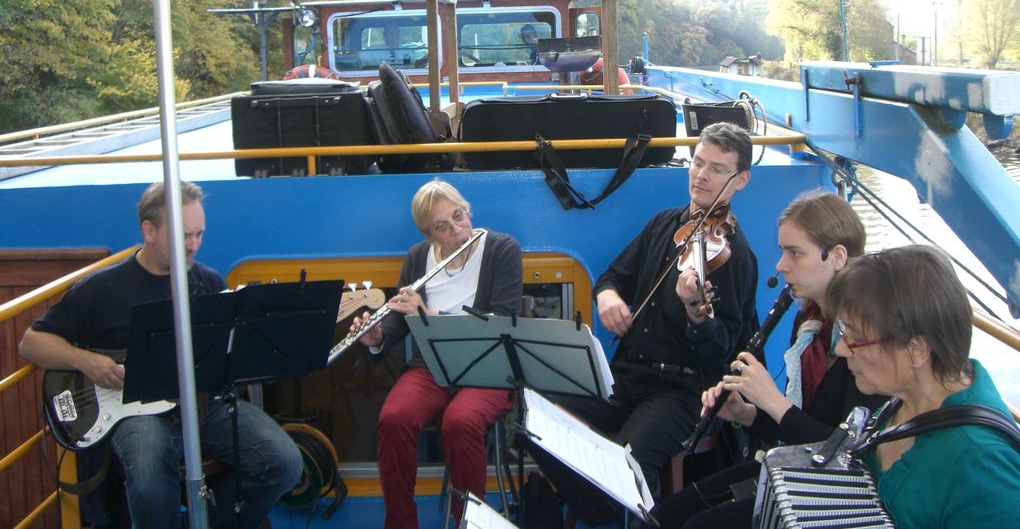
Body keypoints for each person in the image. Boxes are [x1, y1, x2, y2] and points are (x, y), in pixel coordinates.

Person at [19, 181, 302, 529]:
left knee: (285, 462)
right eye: (184, 235)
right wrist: (86, 362)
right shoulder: (102, 288)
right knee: (150, 475)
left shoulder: (209, 283)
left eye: (200, 234)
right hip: (134, 411)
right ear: (148, 230)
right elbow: (31, 343)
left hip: (202, 405)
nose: (194, 245)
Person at [530, 121, 759, 523]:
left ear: (740, 180)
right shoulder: (663, 224)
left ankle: (624, 508)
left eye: (718, 169)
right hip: (628, 376)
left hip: (683, 391)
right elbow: (613, 276)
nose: (701, 175)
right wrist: (608, 296)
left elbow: (723, 350)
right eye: (698, 162)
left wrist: (695, 313)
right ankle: (600, 509)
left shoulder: (735, 256)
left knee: (628, 459)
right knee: (533, 414)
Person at [651, 190, 887, 528]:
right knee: (667, 514)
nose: (780, 265)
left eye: (795, 253)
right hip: (799, 468)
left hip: (836, 494)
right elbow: (800, 422)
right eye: (782, 251)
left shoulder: (867, 338)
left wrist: (771, 400)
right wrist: (746, 413)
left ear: (836, 256)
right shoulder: (810, 321)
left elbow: (846, 453)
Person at [350, 180, 523, 529]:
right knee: (394, 417)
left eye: (459, 217)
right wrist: (376, 337)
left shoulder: (502, 249)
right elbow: (400, 324)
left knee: (460, 422)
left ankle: (467, 523)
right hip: (433, 366)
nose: (457, 230)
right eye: (442, 227)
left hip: (487, 367)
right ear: (429, 234)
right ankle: (400, 523)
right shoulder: (418, 258)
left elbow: (502, 324)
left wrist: (428, 316)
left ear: (468, 210)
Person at [825, 244, 1020, 529]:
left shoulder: (981, 466)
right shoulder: (904, 401)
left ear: (916, 350)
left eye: (855, 337)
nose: (842, 349)